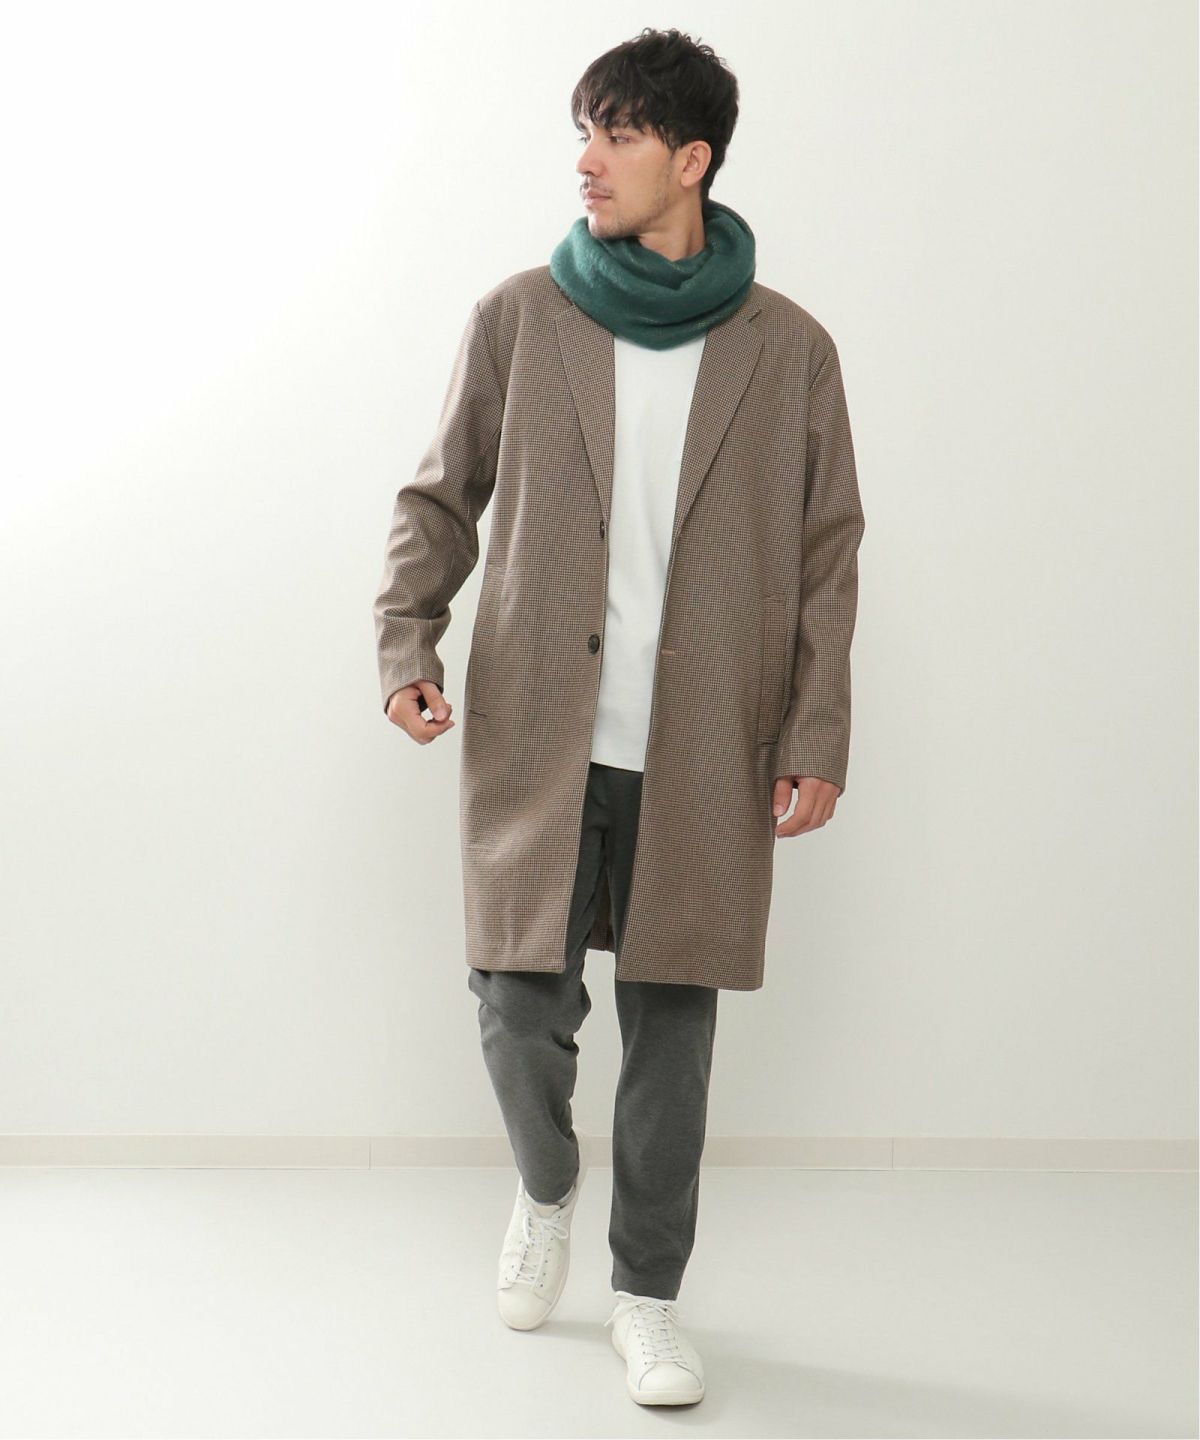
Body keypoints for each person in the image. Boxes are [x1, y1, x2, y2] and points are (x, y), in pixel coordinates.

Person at [372, 26, 865, 1408]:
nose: (586, 161)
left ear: (691, 159)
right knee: (515, 1003)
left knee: (672, 1031)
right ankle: (546, 1189)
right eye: (582, 133)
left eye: (619, 135)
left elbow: (828, 554)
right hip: (541, 725)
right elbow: (439, 498)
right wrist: (407, 639)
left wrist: (817, 733)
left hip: (705, 739)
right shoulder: (522, 316)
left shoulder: (789, 351)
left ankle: (648, 1297)